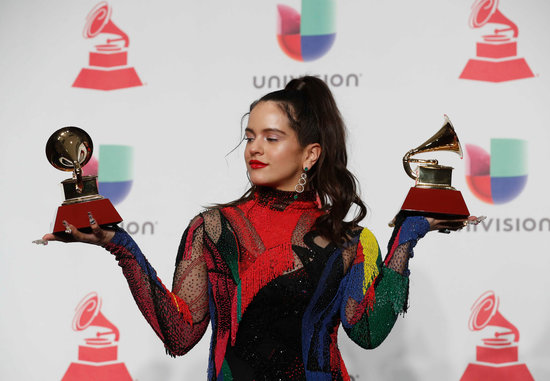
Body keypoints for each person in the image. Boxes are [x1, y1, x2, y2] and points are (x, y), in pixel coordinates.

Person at [42, 76, 476, 380]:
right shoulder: (212, 229)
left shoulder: (351, 241)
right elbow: (179, 334)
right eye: (250, 136)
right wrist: (121, 246)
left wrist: (408, 236)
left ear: (310, 154)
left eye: (271, 137)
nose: (254, 148)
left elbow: (366, 332)